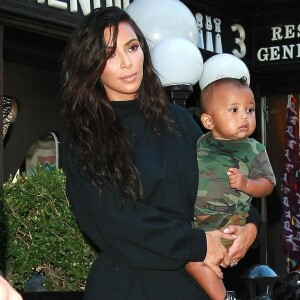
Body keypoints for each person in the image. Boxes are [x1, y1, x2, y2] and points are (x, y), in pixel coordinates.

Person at [60, 6, 260, 300]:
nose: (127, 63)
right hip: (128, 286)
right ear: (91, 64)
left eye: (132, 47)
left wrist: (249, 225)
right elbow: (118, 220)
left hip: (194, 285)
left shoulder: (179, 120)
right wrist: (198, 244)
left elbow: (222, 181)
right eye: (110, 54)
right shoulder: (85, 136)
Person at [185, 77, 276, 300]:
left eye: (250, 110)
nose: (245, 116)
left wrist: (247, 184)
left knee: (191, 258)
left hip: (229, 223)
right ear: (208, 121)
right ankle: (220, 288)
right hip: (198, 225)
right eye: (234, 110)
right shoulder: (199, 143)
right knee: (187, 255)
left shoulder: (254, 149)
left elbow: (268, 184)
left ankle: (224, 297)